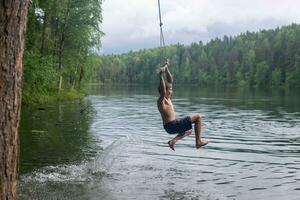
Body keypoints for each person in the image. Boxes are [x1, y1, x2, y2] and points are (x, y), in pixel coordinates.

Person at [157, 61, 209, 151]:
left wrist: (166, 67)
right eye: (170, 90)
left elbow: (170, 80)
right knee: (198, 117)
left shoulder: (167, 99)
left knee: (189, 131)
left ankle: (173, 141)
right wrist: (161, 76)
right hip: (172, 125)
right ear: (165, 91)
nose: (172, 91)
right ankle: (198, 142)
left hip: (171, 126)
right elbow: (163, 92)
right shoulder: (162, 101)